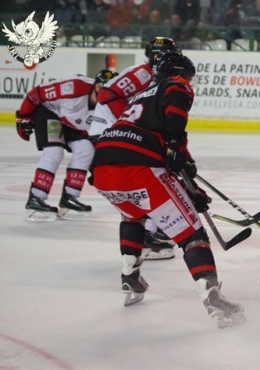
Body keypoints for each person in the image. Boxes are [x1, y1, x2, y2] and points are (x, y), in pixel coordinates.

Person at [90, 53, 246, 329]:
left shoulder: (141, 97)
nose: (188, 82)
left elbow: (177, 157)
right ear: (178, 72)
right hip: (138, 166)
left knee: (134, 217)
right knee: (192, 234)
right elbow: (174, 124)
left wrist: (192, 189)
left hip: (103, 167)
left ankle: (131, 279)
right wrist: (174, 145)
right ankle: (214, 300)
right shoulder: (173, 84)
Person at [89, 36, 182, 261]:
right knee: (145, 179)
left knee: (154, 175)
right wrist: (130, 124)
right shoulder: (143, 72)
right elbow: (107, 94)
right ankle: (146, 236)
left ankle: (150, 231)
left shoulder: (158, 77)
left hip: (120, 132)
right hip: (111, 131)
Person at [15, 68, 118, 221]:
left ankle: (70, 197)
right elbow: (36, 94)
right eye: (106, 91)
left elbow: (100, 136)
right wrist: (23, 118)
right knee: (55, 152)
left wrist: (97, 164)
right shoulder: (75, 87)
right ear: (97, 86)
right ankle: (36, 198)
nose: (109, 97)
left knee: (86, 149)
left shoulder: (109, 106)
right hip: (49, 112)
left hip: (70, 122)